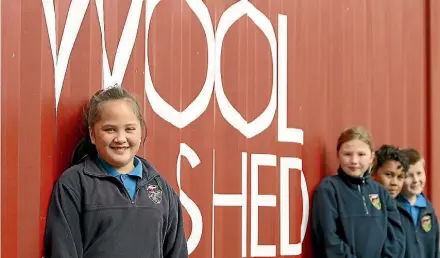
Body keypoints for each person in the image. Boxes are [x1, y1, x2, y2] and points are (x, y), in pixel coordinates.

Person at [44, 86, 188, 258]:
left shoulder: (161, 188)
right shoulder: (74, 184)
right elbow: (63, 252)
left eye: (129, 129)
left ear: (141, 131)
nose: (120, 138)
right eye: (110, 129)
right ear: (92, 134)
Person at [311, 126, 405, 258]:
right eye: (347, 154)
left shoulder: (381, 193)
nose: (354, 161)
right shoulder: (328, 189)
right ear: (338, 155)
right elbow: (328, 238)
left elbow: (396, 238)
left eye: (361, 154)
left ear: (371, 157)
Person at [396, 148, 439, 258]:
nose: (416, 180)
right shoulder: (393, 208)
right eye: (409, 176)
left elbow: (435, 247)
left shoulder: (427, 209)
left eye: (419, 173)